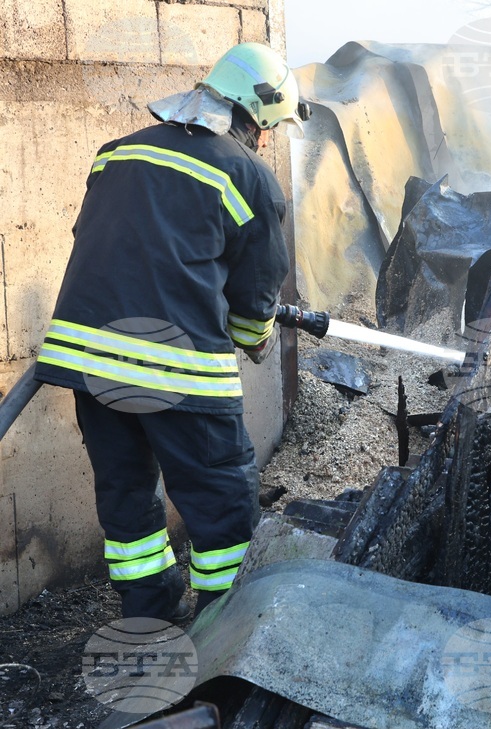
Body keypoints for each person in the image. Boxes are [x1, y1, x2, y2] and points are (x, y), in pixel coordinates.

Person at [33, 42, 309, 621]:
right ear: (256, 116)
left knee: (126, 494)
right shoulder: (250, 178)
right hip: (177, 368)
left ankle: (150, 613)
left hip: (87, 362)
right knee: (220, 500)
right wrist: (254, 337)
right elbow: (256, 300)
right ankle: (223, 623)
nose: (266, 141)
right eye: (270, 128)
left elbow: (111, 242)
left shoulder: (115, 154)